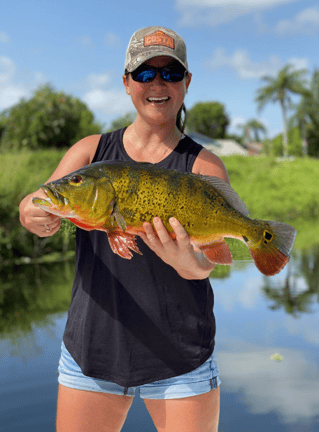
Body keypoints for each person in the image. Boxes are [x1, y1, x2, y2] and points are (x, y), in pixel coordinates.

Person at [19, 26, 230, 432]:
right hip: (92, 353)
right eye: (144, 73)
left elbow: (208, 261)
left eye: (170, 73)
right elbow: (40, 199)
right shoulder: (90, 152)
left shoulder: (203, 166)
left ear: (187, 83)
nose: (157, 83)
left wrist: (192, 263)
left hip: (180, 360)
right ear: (126, 83)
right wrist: (33, 213)